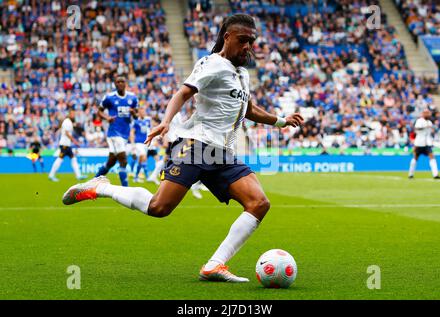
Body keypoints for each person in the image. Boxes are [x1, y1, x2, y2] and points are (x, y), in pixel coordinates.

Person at [62, 14, 303, 283]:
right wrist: (165, 123)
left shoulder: (242, 74)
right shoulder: (213, 63)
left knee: (259, 203)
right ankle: (100, 187)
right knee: (159, 207)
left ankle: (214, 265)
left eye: (252, 41)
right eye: (243, 40)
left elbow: (248, 109)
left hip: (222, 152)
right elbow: (183, 93)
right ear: (227, 37)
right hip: (196, 144)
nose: (248, 46)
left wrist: (281, 121)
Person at [94, 76, 138, 186]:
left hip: (125, 134)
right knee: (123, 161)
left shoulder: (132, 98)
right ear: (115, 84)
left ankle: (93, 182)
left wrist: (133, 113)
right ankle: (126, 189)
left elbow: (137, 116)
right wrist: (107, 118)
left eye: (122, 81)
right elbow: (99, 111)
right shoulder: (109, 97)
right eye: (117, 82)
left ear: (125, 83)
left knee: (111, 162)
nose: (119, 83)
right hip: (114, 133)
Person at [48, 108, 86, 182]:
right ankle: (51, 175)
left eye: (74, 114)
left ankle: (78, 175)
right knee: (60, 159)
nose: (73, 115)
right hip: (64, 144)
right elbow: (66, 133)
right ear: (69, 114)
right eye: (72, 114)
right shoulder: (67, 122)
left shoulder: (69, 122)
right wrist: (75, 141)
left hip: (67, 145)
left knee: (73, 159)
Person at [408, 109, 440, 179]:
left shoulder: (430, 122)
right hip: (419, 143)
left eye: (428, 113)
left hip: (427, 143)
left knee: (432, 157)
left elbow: (430, 132)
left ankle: (435, 175)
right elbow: (417, 129)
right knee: (415, 158)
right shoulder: (419, 121)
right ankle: (410, 174)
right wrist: (425, 127)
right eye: (426, 113)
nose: (427, 114)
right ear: (423, 114)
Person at [130, 107, 152, 183]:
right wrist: (133, 144)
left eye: (144, 111)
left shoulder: (148, 120)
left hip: (145, 143)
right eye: (141, 111)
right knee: (143, 156)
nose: (143, 113)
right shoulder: (136, 121)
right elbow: (132, 132)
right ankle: (148, 176)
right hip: (138, 143)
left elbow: (150, 130)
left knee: (142, 160)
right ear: (139, 113)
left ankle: (136, 177)